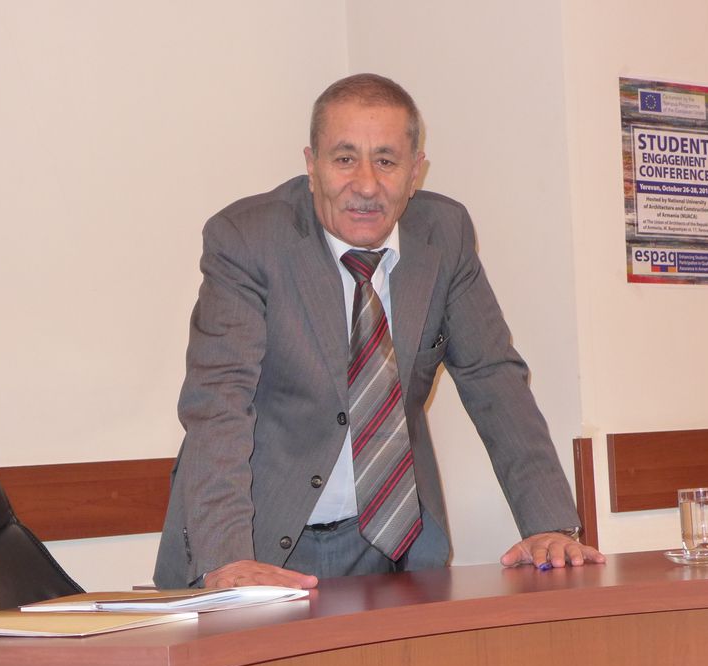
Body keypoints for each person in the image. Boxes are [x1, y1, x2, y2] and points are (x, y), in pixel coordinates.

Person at [155, 74, 606, 589]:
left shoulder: (444, 235)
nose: (366, 185)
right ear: (311, 166)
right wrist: (227, 557)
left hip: (395, 545)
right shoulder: (248, 239)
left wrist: (549, 526)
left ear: (415, 172)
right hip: (258, 543)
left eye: (386, 161)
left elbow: (494, 380)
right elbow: (218, 403)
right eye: (345, 158)